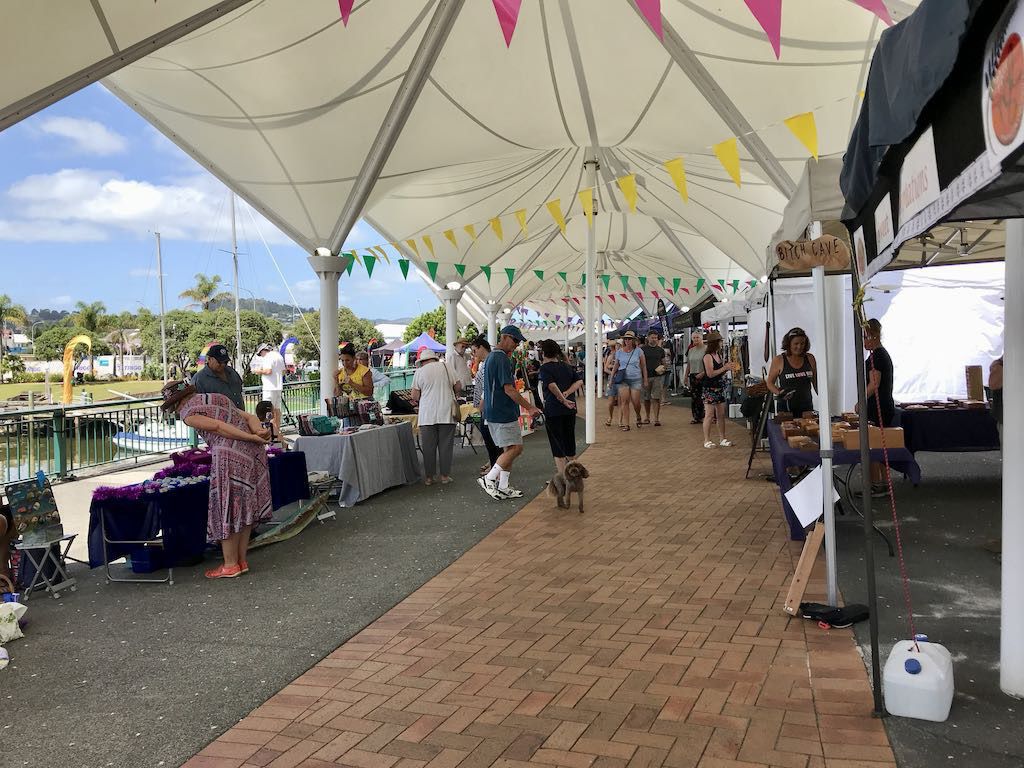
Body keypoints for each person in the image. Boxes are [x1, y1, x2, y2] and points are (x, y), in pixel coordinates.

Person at [160, 381, 272, 579]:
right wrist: (257, 432)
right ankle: (241, 561)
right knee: (245, 506)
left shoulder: (188, 414)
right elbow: (248, 416)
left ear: (174, 404)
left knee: (228, 506)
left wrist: (250, 437)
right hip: (252, 453)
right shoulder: (216, 397)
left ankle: (230, 564)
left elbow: (219, 427)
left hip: (229, 455)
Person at [478, 325, 541, 500]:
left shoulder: (492, 357)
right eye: (515, 340)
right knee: (516, 448)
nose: (517, 344)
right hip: (502, 412)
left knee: (509, 448)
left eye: (519, 341)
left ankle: (503, 486)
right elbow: (509, 389)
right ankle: (489, 478)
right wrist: (530, 407)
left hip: (494, 412)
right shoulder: (501, 359)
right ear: (504, 337)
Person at [411, 349, 461, 486]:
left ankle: (429, 478)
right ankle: (444, 476)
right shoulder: (446, 366)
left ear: (422, 361)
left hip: (427, 414)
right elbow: (458, 386)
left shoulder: (419, 372)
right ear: (434, 358)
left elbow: (414, 396)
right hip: (446, 412)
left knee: (428, 447)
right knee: (445, 446)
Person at [538, 339, 583, 474]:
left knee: (557, 444)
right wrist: (568, 393)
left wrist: (563, 399)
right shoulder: (566, 366)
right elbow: (579, 381)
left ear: (543, 353)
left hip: (554, 410)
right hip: (570, 410)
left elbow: (552, 386)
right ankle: (574, 474)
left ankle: (563, 477)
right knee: (570, 441)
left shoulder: (545, 368)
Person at [766, 327, 818, 417]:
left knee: (808, 430)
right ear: (788, 344)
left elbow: (815, 382)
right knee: (788, 431)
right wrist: (779, 393)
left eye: (802, 343)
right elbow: (769, 383)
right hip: (786, 409)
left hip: (806, 407)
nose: (799, 347)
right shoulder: (779, 360)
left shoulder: (810, 358)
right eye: (796, 344)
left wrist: (824, 399)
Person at [470, 335, 501, 473]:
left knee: (490, 438)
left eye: (474, 350)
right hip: (486, 405)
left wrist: (481, 403)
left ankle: (495, 466)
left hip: (488, 405)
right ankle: (493, 463)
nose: (473, 354)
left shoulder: (489, 362)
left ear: (481, 348)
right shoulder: (485, 363)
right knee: (489, 437)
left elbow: (488, 386)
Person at [702, 331, 735, 448]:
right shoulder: (707, 356)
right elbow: (710, 374)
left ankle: (722, 438)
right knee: (709, 415)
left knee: (721, 414)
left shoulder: (718, 355)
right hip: (710, 388)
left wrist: (726, 369)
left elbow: (718, 372)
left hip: (719, 387)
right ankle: (707, 439)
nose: (722, 343)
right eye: (720, 341)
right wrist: (724, 368)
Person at [609, 331, 647, 431]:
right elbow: (616, 365)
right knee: (625, 401)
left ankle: (638, 415)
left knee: (636, 402)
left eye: (629, 339)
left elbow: (643, 366)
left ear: (633, 340)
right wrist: (611, 378)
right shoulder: (619, 352)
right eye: (625, 339)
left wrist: (645, 379)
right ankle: (626, 424)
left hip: (636, 378)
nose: (627, 341)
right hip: (623, 379)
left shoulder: (639, 351)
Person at [862, 319, 895, 427]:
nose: (864, 341)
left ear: (874, 336)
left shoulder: (878, 356)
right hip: (878, 406)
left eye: (866, 337)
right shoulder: (877, 354)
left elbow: (874, 384)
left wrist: (861, 401)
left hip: (879, 408)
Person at [192, 343, 245, 410]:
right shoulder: (199, 380)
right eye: (219, 362)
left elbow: (239, 391)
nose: (223, 365)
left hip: (240, 417)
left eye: (225, 362)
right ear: (209, 359)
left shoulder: (232, 372)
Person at [253, 343, 286, 441]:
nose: (261, 356)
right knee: (276, 409)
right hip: (278, 386)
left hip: (269, 387)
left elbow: (268, 371)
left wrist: (257, 371)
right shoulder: (278, 356)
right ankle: (277, 431)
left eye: (261, 354)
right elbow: (283, 371)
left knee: (267, 410)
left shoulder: (268, 357)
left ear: (263, 351)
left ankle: (270, 431)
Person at [640, 329, 666, 426]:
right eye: (652, 337)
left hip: (657, 377)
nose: (654, 339)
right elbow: (640, 363)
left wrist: (662, 368)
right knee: (646, 398)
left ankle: (656, 418)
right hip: (645, 377)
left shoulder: (660, 350)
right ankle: (647, 417)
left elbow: (664, 362)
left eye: (655, 338)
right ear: (648, 338)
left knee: (656, 397)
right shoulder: (643, 349)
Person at [684, 332, 706, 425]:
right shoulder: (691, 350)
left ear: (701, 338)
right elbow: (689, 364)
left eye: (697, 337)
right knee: (695, 397)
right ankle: (697, 417)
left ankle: (709, 416)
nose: (696, 339)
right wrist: (685, 376)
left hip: (704, 375)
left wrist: (703, 373)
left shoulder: (706, 349)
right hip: (693, 375)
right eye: (694, 337)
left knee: (705, 396)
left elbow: (710, 363)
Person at [603, 340, 619, 426]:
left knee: (622, 401)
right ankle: (610, 417)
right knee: (611, 401)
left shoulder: (623, 356)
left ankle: (620, 420)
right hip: (612, 380)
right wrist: (613, 372)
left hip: (621, 380)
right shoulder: (611, 356)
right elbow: (605, 368)